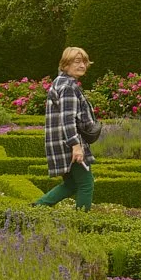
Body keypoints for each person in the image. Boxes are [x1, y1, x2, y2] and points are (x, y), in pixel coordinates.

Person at [35, 47, 100, 210]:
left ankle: (36, 208)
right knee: (86, 184)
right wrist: (76, 146)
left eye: (84, 62)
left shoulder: (60, 82)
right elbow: (68, 119)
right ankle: (81, 221)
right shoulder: (69, 86)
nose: (82, 65)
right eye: (77, 61)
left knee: (71, 184)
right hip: (69, 143)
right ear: (65, 64)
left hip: (60, 141)